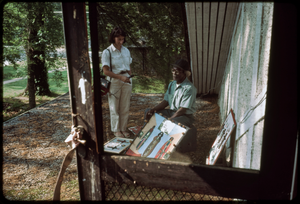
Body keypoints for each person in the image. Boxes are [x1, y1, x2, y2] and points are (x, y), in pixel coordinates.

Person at [145, 59, 197, 128]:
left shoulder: (189, 88)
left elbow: (182, 110)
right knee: (148, 111)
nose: (174, 73)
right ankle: (146, 133)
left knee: (171, 123)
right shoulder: (172, 84)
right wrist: (153, 110)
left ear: (184, 73)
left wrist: (169, 120)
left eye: (177, 71)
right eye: (173, 70)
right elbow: (165, 101)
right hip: (171, 112)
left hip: (184, 116)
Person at [101, 26, 132, 138]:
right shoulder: (107, 52)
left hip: (126, 80)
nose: (121, 41)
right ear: (113, 38)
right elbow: (106, 71)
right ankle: (116, 130)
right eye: (119, 39)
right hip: (114, 80)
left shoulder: (126, 50)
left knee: (125, 106)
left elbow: (128, 66)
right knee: (114, 107)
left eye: (123, 39)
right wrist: (120, 77)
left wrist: (129, 76)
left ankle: (123, 128)